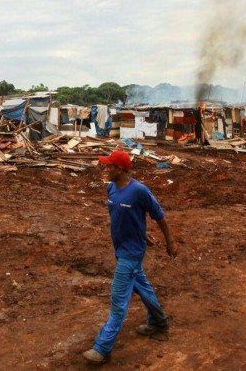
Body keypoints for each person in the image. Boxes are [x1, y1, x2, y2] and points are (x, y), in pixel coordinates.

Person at [83, 150, 178, 365]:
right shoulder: (111, 189)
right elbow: (120, 216)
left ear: (120, 169)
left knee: (118, 300)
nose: (105, 169)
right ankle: (159, 323)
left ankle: (102, 347)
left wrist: (170, 242)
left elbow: (159, 216)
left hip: (131, 253)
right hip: (121, 249)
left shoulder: (139, 191)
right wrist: (141, 232)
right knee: (142, 287)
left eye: (109, 166)